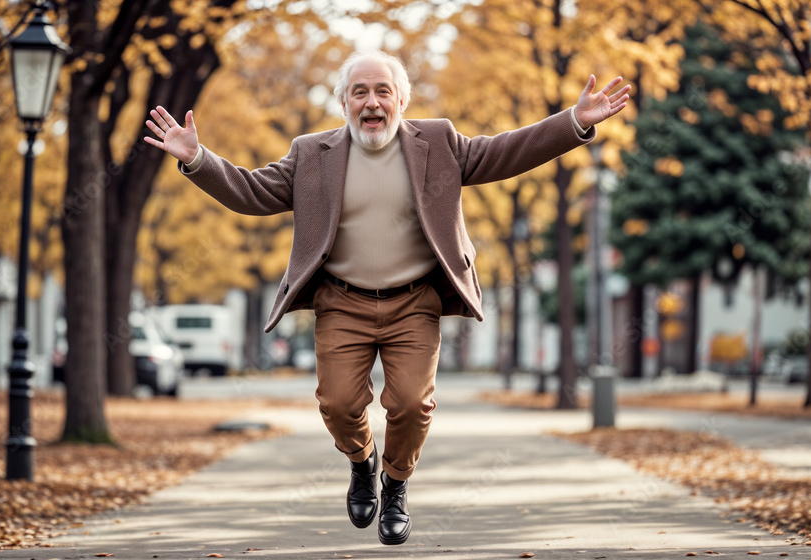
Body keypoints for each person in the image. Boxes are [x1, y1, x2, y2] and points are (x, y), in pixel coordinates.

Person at [144, 50, 630, 545]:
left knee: (412, 404)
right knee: (337, 405)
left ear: (401, 100)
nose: (371, 102)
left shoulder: (437, 143)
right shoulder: (313, 155)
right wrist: (197, 160)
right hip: (342, 302)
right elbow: (252, 192)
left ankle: (395, 484)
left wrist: (574, 122)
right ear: (343, 102)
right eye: (360, 92)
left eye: (382, 91)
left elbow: (505, 151)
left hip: (414, 303)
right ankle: (362, 462)